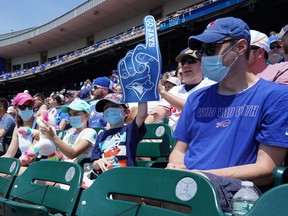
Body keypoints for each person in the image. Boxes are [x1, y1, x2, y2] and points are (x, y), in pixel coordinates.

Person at [168, 17, 288, 213]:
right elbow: (179, 150)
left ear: (240, 47)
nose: (204, 58)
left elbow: (266, 170)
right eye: (201, 52)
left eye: (210, 49)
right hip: (187, 186)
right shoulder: (196, 98)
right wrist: (176, 168)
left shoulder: (276, 97)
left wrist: (200, 176)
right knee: (125, 188)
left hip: (235, 194)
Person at [145, 48, 215, 129]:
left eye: (191, 60)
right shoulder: (175, 90)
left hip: (199, 137)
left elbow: (193, 109)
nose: (185, 65)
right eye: (183, 62)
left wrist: (162, 92)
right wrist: (139, 129)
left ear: (203, 64)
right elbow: (158, 112)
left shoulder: (211, 85)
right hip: (175, 138)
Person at [41, 99, 97, 188]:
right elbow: (59, 155)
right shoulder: (69, 133)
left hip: (77, 178)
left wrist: (54, 137)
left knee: (37, 181)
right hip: (62, 172)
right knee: (34, 176)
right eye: (70, 115)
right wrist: (47, 143)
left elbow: (72, 154)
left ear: (86, 116)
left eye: (75, 114)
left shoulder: (90, 132)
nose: (72, 117)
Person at [91, 93, 147, 172]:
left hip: (127, 176)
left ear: (127, 112)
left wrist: (141, 93)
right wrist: (98, 162)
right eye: (106, 108)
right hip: (106, 177)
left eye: (114, 106)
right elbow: (95, 163)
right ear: (103, 116)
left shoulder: (130, 130)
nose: (110, 110)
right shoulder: (101, 136)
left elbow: (142, 114)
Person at [1, 93, 38, 174]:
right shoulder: (17, 128)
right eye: (22, 107)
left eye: (30, 106)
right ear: (16, 108)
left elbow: (31, 157)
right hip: (23, 166)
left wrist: (14, 164)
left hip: (37, 166)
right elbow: (9, 155)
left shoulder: (39, 124)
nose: (27, 109)